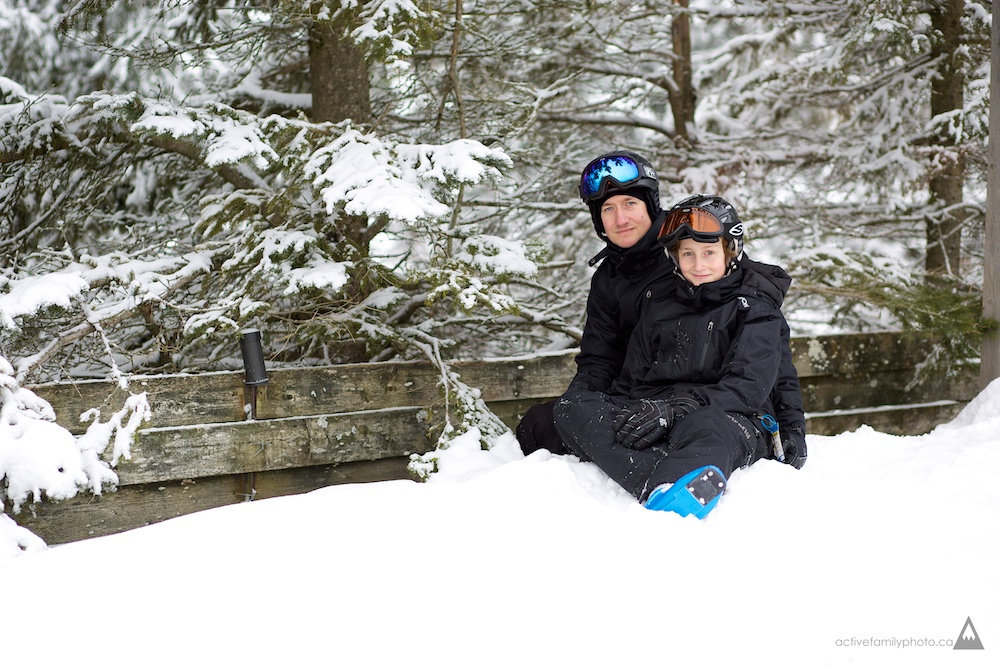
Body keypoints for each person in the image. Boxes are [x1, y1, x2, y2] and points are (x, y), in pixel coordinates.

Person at [515, 153, 806, 473]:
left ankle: (665, 469)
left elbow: (764, 351)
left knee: (704, 428)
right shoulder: (609, 280)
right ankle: (641, 461)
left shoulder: (696, 236)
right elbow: (600, 360)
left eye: (629, 204)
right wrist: (586, 412)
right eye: (607, 209)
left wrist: (791, 425)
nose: (620, 218)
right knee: (543, 422)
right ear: (598, 220)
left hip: (708, 406)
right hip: (648, 398)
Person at [552, 194, 805, 518]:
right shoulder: (659, 305)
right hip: (660, 412)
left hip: (729, 416)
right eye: (688, 254)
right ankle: (660, 474)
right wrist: (631, 415)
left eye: (709, 253)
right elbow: (632, 378)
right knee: (573, 406)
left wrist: (679, 409)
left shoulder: (754, 309)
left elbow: (747, 387)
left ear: (731, 252)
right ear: (675, 258)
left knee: (707, 426)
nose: (698, 265)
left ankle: (674, 482)